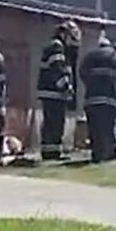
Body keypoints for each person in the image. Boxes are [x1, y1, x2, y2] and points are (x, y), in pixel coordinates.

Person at [79, 36, 116, 163]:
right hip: (109, 100)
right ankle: (110, 155)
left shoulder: (90, 57)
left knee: (95, 129)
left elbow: (82, 73)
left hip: (91, 100)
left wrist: (91, 85)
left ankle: (97, 155)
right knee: (108, 130)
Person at [36, 21, 80, 161]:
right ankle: (52, 154)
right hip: (54, 93)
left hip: (51, 92)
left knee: (51, 123)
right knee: (55, 123)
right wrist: (67, 87)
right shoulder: (57, 47)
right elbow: (58, 69)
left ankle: (50, 152)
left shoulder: (54, 46)